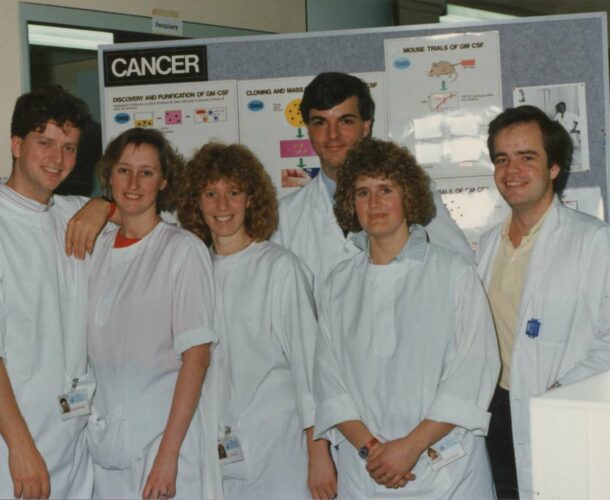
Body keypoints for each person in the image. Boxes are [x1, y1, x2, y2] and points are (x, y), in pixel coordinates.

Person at [313, 138, 499, 499]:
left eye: (386, 189)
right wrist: (373, 451)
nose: (375, 203)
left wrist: (410, 447)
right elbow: (329, 383)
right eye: (362, 192)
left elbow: (472, 373)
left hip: (448, 471)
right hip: (368, 470)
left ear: (408, 196)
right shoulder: (337, 284)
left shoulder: (453, 273)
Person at [177, 143, 327, 499]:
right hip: (209, 454)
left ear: (251, 198)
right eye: (210, 193)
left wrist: (318, 453)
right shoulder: (190, 270)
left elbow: (310, 371)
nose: (222, 205)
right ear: (196, 202)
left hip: (279, 453)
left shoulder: (280, 268)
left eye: (233, 192)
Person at [478, 105, 610, 499]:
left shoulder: (593, 241)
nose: (511, 170)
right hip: (496, 416)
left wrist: (560, 392)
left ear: (554, 168)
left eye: (527, 157)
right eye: (502, 159)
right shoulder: (487, 245)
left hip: (564, 412)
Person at [87, 128, 222, 499]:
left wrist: (168, 456)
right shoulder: (93, 248)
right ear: (108, 175)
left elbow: (196, 359)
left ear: (163, 181)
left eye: (146, 172)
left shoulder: (182, 251)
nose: (133, 183)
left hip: (164, 450)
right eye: (123, 170)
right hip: (107, 448)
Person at [272, 72, 474, 298]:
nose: (333, 136)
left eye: (345, 121)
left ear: (366, 126)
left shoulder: (412, 196)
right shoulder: (286, 217)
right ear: (308, 130)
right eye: (320, 123)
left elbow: (463, 276)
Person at [0, 85, 94, 499]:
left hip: (73, 447)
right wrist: (19, 446)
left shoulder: (71, 212)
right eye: (46, 143)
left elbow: (131, 207)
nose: (58, 159)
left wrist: (102, 204)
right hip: (16, 449)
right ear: (16, 145)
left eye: (69, 148)